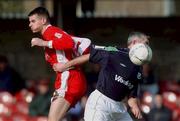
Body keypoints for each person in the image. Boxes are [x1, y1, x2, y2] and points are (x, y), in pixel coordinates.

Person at [53, 32, 150, 121]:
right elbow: (90, 55)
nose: (147, 48)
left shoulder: (139, 69)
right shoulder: (115, 52)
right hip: (101, 104)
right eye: (145, 43)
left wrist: (134, 106)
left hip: (119, 108)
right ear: (134, 42)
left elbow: (132, 96)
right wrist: (65, 66)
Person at [28, 7, 90, 121]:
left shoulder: (51, 31)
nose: (29, 25)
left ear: (43, 20)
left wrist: (44, 43)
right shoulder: (47, 35)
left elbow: (68, 42)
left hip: (69, 78)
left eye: (33, 21)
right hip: (67, 79)